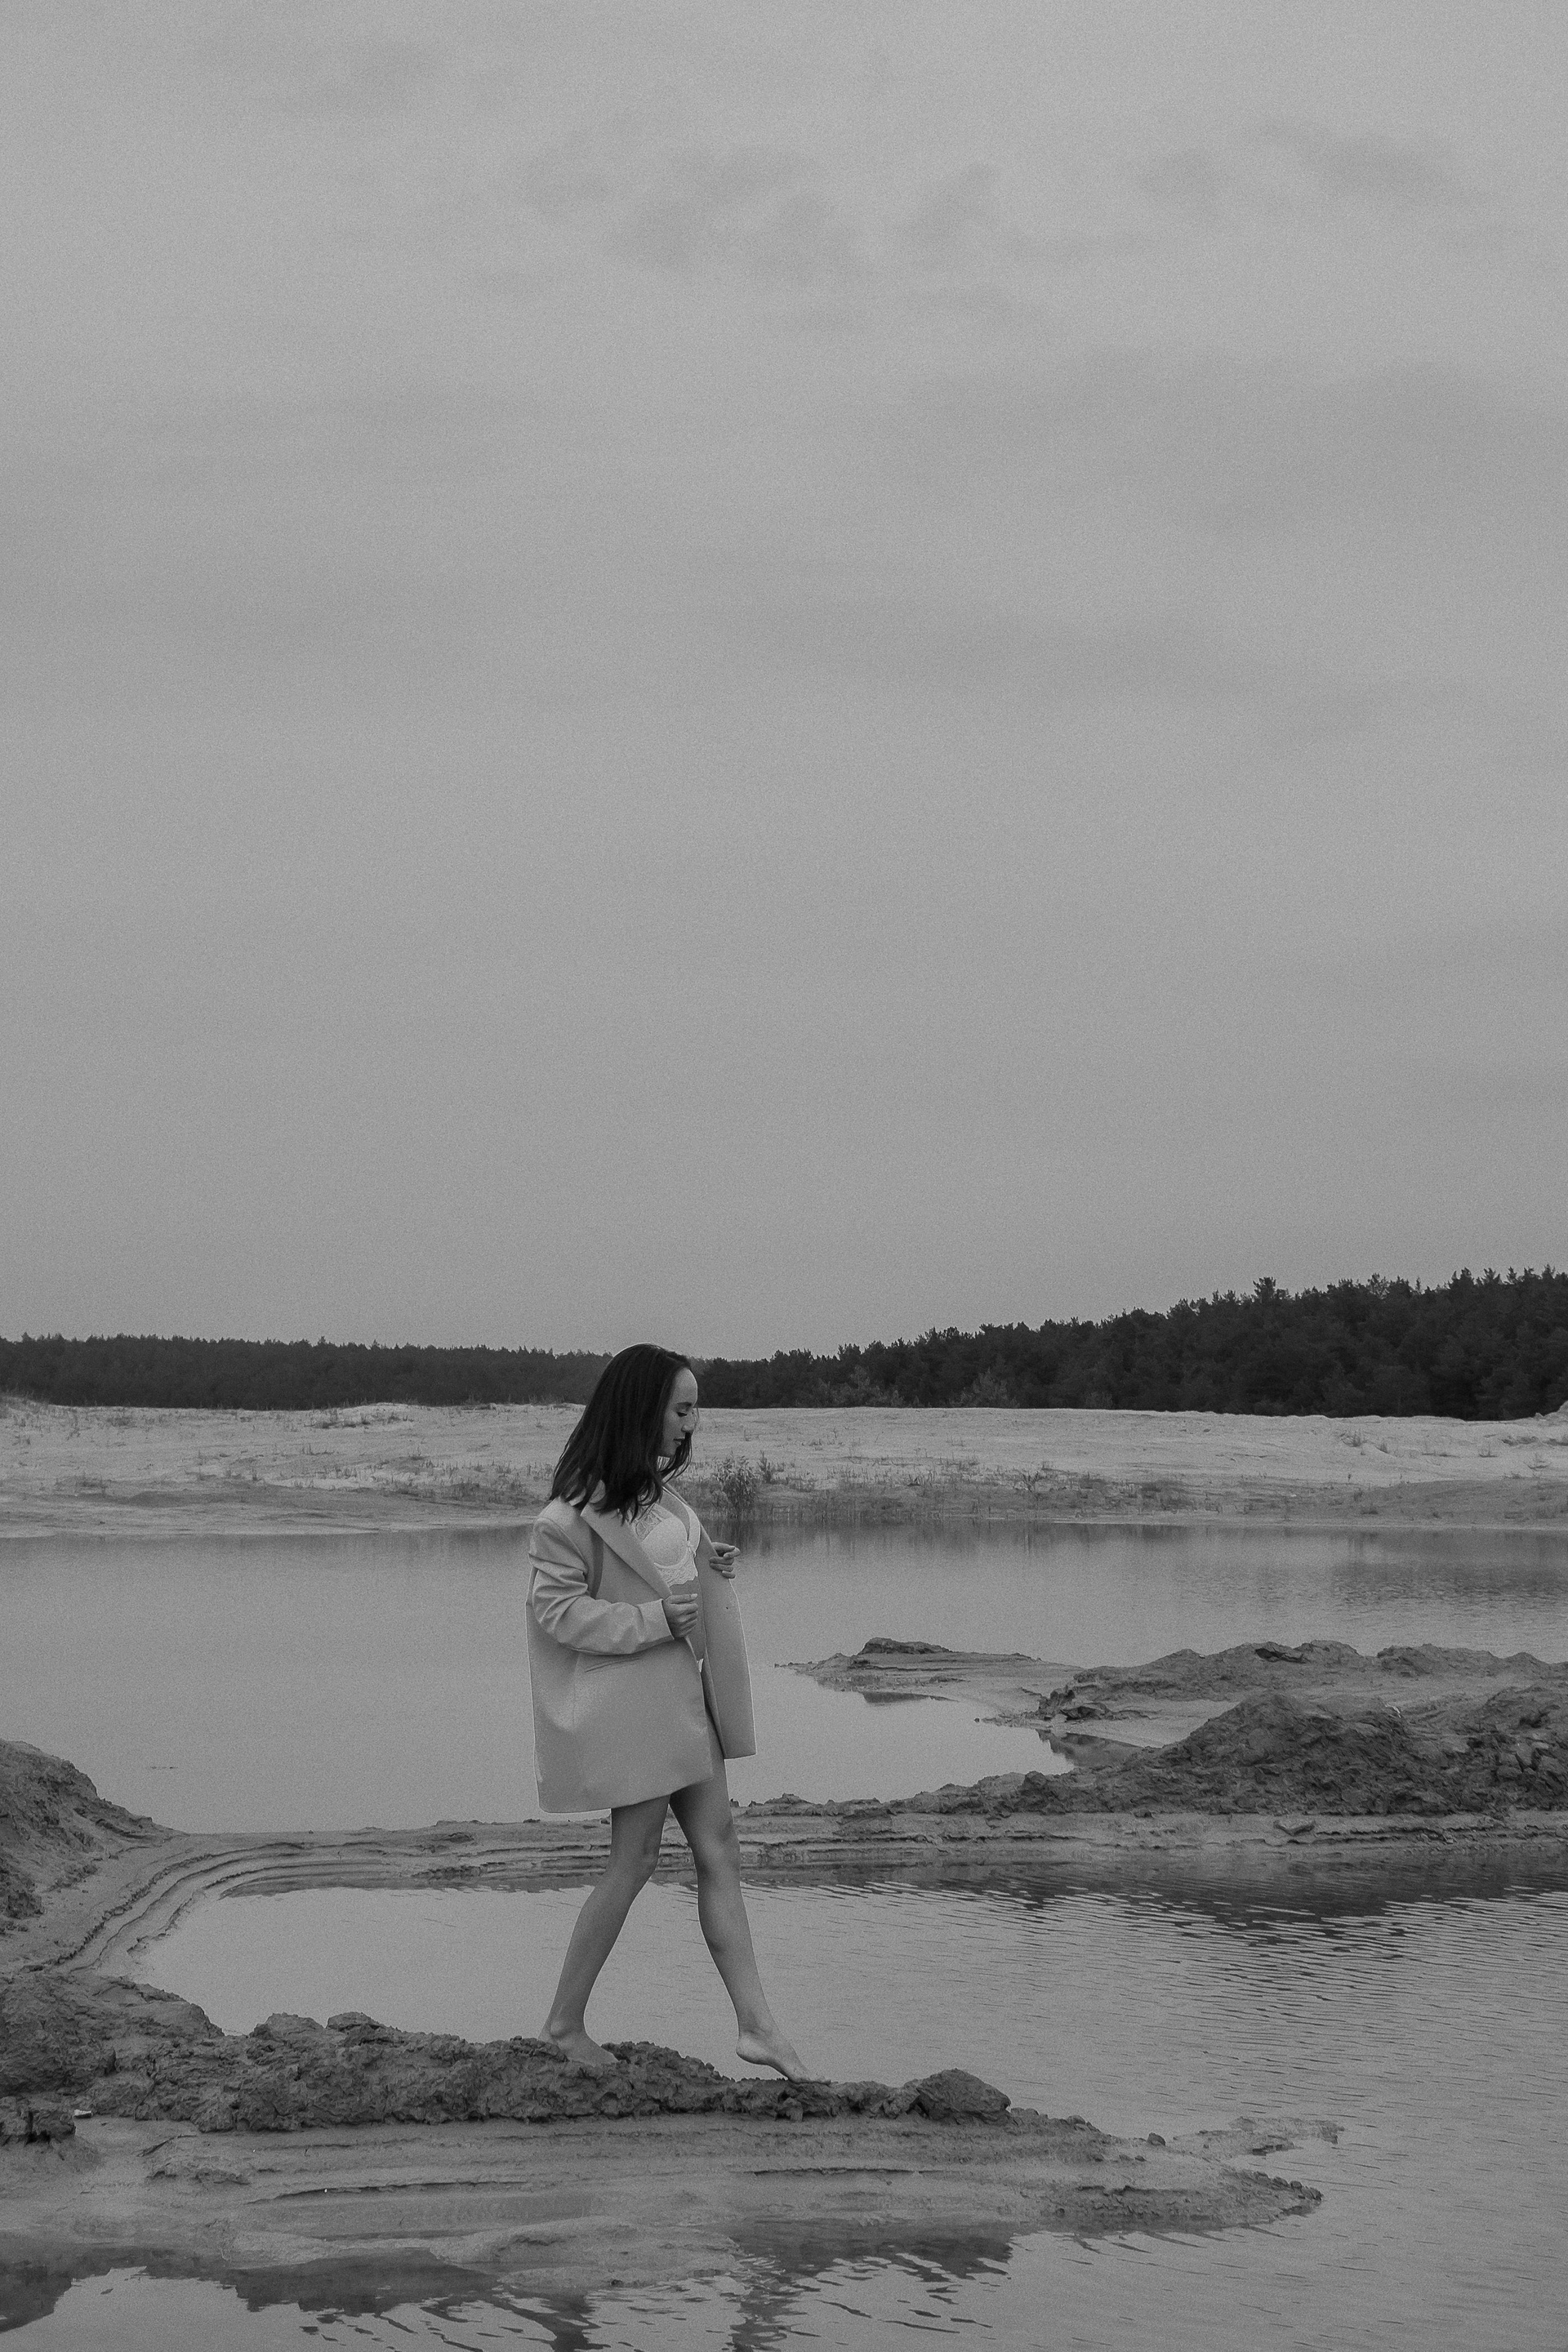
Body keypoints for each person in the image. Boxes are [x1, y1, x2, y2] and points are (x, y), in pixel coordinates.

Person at [525, 1343, 808, 2080]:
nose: (692, 1423)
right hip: (636, 1709)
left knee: (721, 1849)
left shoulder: (661, 1496)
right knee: (636, 1859)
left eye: (694, 1409)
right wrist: (655, 1620)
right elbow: (558, 1612)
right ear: (643, 1407)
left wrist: (709, 1564)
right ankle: (562, 2025)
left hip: (686, 1698)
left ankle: (758, 2027)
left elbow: (668, 1567)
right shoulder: (567, 1515)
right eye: (682, 1409)